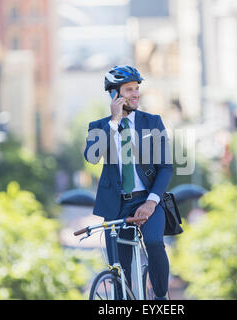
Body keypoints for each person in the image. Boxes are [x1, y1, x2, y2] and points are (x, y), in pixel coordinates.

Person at [84, 65, 173, 300]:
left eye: (137, 88)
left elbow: (165, 167)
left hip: (148, 200)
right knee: (120, 273)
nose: (135, 94)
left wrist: (152, 203)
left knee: (154, 243)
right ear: (114, 95)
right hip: (116, 205)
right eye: (128, 89)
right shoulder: (99, 127)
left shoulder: (153, 122)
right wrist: (113, 123)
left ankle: (161, 297)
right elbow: (92, 157)